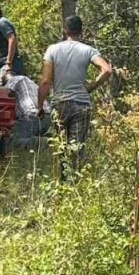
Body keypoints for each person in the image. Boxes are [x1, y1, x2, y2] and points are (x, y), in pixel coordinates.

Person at [39, 15, 112, 179]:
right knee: (77, 150)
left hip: (59, 105)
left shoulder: (52, 50)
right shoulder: (88, 50)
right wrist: (91, 86)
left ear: (64, 31)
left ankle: (62, 183)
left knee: (61, 148)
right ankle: (74, 184)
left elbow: (45, 81)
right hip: (81, 105)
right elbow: (107, 70)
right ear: (81, 31)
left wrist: (40, 106)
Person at [4, 72, 50, 149]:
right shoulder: (31, 83)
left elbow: (4, 95)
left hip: (31, 115)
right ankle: (48, 141)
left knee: (10, 141)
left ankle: (43, 143)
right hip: (47, 115)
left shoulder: (15, 79)